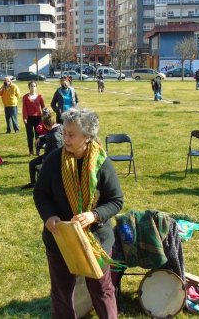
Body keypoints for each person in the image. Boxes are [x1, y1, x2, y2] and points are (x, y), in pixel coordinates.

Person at [33, 108, 123, 319]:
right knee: (62, 293)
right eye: (64, 132)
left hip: (96, 239)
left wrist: (94, 215)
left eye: (71, 134)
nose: (65, 138)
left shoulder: (101, 163)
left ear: (88, 136)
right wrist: (50, 216)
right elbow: (40, 194)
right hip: (60, 238)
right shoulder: (54, 161)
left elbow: (116, 201)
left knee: (102, 290)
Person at [21, 112, 63, 189]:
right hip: (48, 155)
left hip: (52, 159)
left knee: (39, 168)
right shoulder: (57, 127)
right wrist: (40, 138)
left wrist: (45, 160)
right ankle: (33, 183)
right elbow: (49, 134)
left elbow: (56, 153)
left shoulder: (56, 135)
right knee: (32, 164)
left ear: (45, 125)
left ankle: (44, 187)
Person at [23, 81, 46, 156]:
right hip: (29, 118)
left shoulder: (40, 96)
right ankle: (30, 150)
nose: (33, 87)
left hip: (38, 118)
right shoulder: (25, 97)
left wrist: (45, 116)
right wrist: (25, 118)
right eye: (31, 86)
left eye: (34, 86)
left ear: (36, 87)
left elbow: (43, 107)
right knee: (30, 135)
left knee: (38, 135)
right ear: (29, 87)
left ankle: (38, 150)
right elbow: (24, 108)